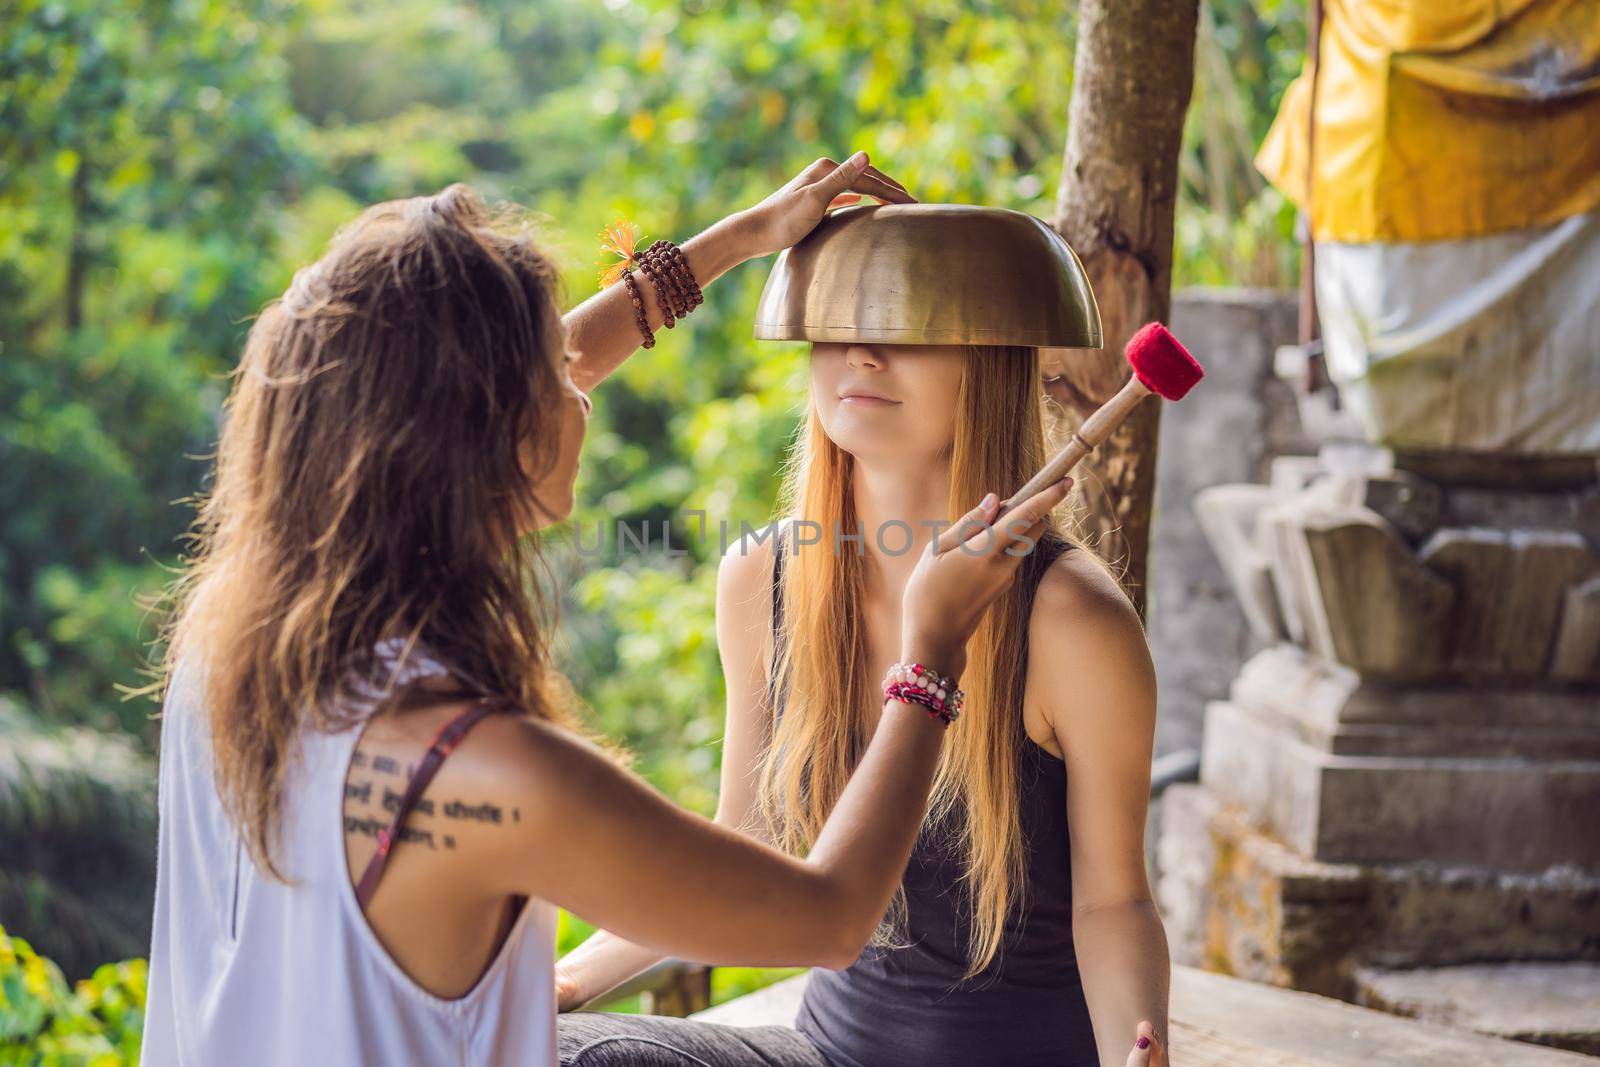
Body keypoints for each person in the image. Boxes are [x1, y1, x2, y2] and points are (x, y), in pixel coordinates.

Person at [139, 151, 1080, 1066]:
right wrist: (929, 657)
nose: (580, 389)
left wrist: (733, 244)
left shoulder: (230, 647)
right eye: (554, 371)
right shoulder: (484, 769)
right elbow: (830, 916)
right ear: (483, 432)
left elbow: (461, 390)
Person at [557, 330, 1172, 1063]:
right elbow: (747, 836)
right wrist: (563, 981)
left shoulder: (1073, 616)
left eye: (908, 333)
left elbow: (1114, 901)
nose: (864, 354)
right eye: (841, 328)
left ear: (990, 364)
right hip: (826, 1050)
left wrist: (1138, 1044)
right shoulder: (763, 572)